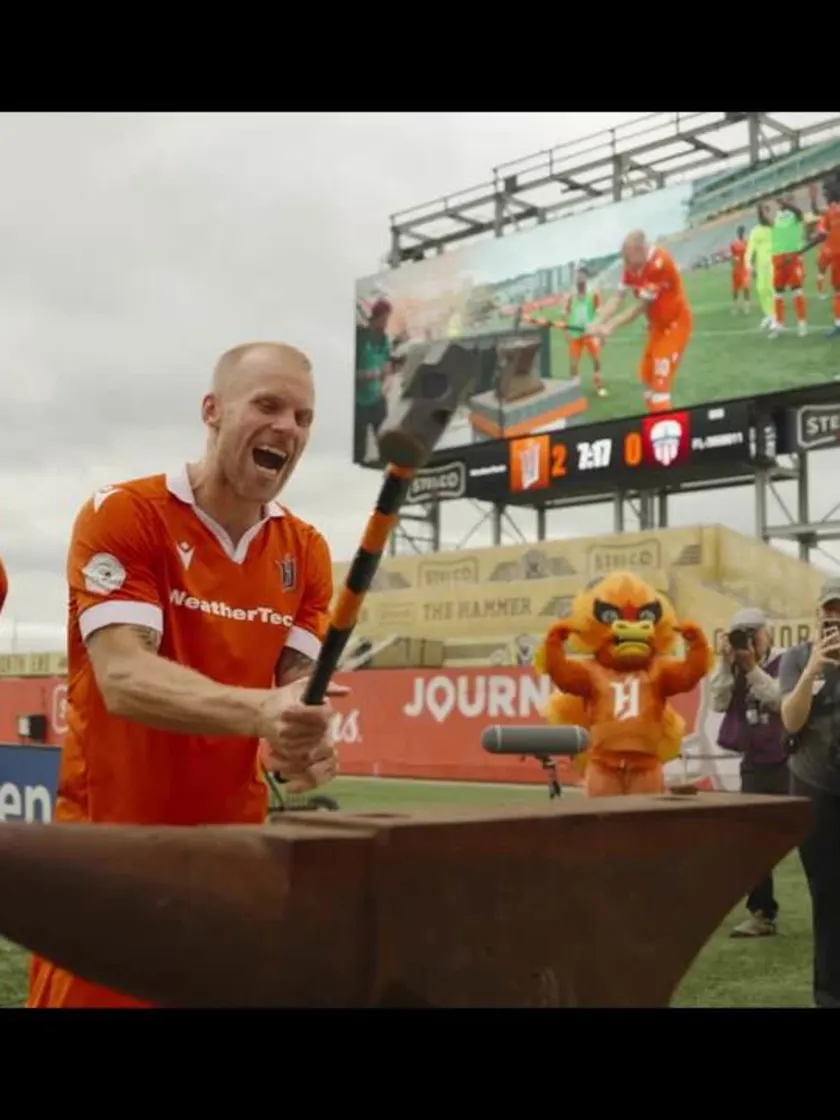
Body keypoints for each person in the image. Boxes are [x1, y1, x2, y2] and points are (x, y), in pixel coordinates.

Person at [27, 341, 344, 1010]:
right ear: (212, 410)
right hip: (110, 864)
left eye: (304, 417)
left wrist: (304, 747)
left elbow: (294, 700)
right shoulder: (125, 514)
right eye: (267, 405)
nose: (288, 427)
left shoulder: (308, 553)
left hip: (234, 873)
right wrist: (265, 713)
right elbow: (124, 677)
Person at [779, 577, 840, 1007]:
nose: (835, 618)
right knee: (826, 893)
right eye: (830, 610)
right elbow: (790, 721)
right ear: (819, 613)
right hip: (816, 786)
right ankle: (828, 995)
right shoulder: (796, 658)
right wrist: (814, 670)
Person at [709, 608, 786, 937]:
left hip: (790, 760)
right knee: (753, 841)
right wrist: (727, 665)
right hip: (754, 763)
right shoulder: (733, 669)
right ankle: (761, 913)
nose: (748, 639)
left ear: (767, 633)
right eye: (741, 633)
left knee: (816, 837)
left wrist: (752, 667)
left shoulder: (786, 663)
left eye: (753, 632)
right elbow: (718, 702)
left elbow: (779, 699)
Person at [587, 230, 692, 414]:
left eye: (628, 259)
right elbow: (618, 297)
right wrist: (596, 322)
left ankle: (666, 435)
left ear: (641, 250)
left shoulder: (660, 264)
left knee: (660, 388)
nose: (626, 265)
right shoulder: (632, 265)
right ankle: (655, 422)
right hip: (658, 327)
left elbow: (639, 307)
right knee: (646, 379)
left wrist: (609, 326)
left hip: (675, 326)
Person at [354, 298, 394, 463]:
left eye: (387, 319)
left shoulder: (384, 339)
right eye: (384, 319)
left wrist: (386, 382)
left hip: (378, 400)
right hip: (359, 403)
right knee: (358, 450)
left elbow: (387, 367)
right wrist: (368, 375)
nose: (385, 324)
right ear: (375, 318)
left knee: (386, 444)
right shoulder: (360, 338)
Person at [769, 194, 808, 337]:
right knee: (777, 292)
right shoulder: (778, 216)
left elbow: (799, 213)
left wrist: (786, 204)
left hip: (792, 256)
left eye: (789, 199)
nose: (785, 202)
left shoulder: (796, 214)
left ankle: (802, 323)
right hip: (778, 256)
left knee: (797, 290)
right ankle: (779, 325)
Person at [745, 203, 775, 330]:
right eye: (762, 213)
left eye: (767, 212)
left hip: (774, 263)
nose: (765, 215)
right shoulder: (755, 231)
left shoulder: (775, 228)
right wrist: (748, 264)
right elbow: (750, 249)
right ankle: (768, 314)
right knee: (761, 289)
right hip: (761, 266)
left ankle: (775, 316)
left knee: (772, 290)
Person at [729, 226, 751, 314]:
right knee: (735, 289)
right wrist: (733, 261)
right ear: (738, 233)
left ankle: (746, 306)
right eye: (740, 232)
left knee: (746, 288)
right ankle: (735, 306)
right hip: (736, 270)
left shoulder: (747, 243)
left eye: (742, 232)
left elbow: (750, 255)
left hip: (744, 269)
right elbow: (731, 256)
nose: (741, 233)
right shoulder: (734, 244)